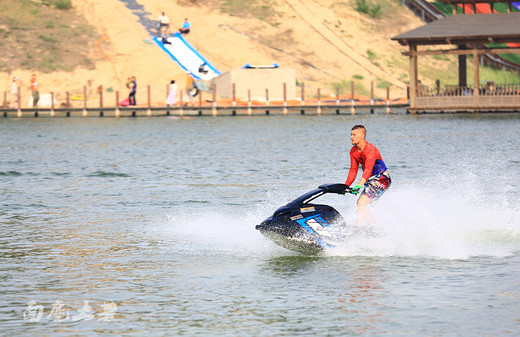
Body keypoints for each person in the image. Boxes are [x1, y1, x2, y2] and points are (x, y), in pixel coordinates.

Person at [345, 125, 391, 227]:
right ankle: (375, 228)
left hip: (382, 178)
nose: (351, 137)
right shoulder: (353, 151)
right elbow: (353, 170)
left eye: (354, 135)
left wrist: (359, 185)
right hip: (371, 180)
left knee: (361, 203)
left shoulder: (370, 150)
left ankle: (358, 229)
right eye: (351, 135)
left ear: (362, 136)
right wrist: (345, 185)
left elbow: (368, 169)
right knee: (362, 205)